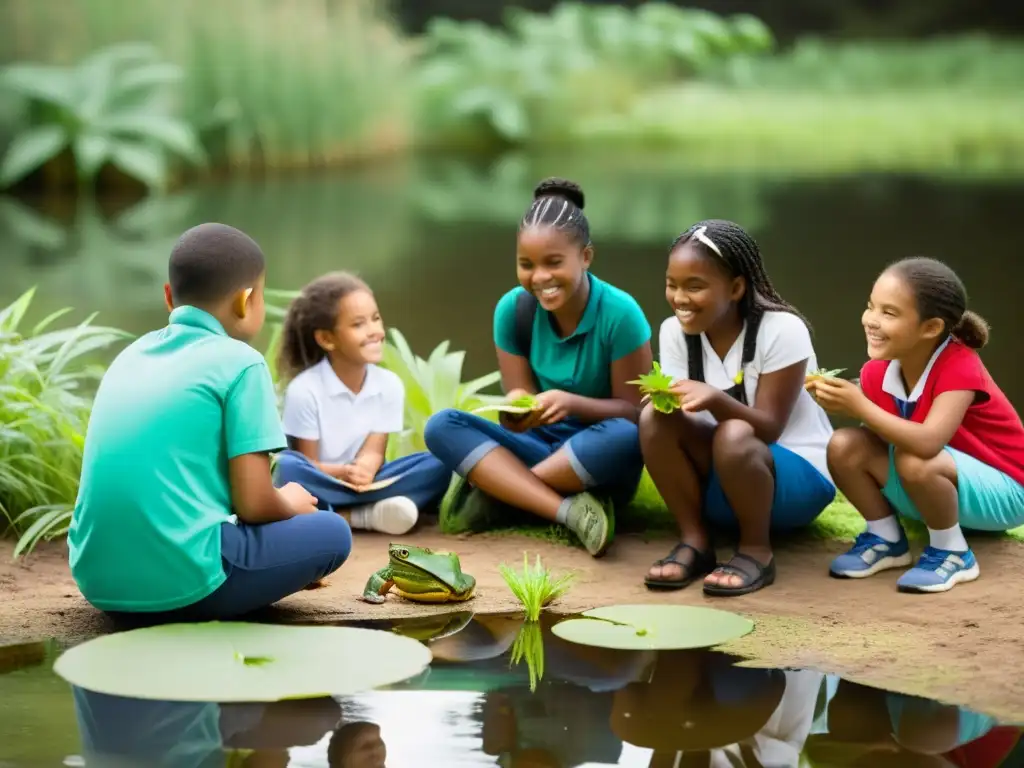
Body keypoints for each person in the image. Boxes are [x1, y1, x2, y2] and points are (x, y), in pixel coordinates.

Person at [67, 223, 351, 623]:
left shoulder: (129, 356)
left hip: (99, 582)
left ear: (169, 296)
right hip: (186, 584)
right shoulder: (241, 363)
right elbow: (253, 505)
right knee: (332, 532)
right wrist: (289, 502)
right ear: (246, 300)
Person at [423, 178, 652, 557]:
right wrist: (517, 410)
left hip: (598, 451)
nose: (539, 278)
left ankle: (501, 491)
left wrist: (573, 403)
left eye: (553, 263)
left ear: (586, 257)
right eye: (526, 264)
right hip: (537, 443)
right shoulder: (514, 310)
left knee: (628, 436)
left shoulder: (621, 314)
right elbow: (521, 394)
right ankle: (566, 511)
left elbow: (634, 412)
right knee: (443, 425)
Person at [640, 219, 836, 596]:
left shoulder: (783, 330)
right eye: (672, 284)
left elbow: (769, 429)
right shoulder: (675, 331)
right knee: (655, 417)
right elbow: (684, 422)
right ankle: (696, 541)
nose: (680, 298)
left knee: (735, 432)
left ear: (735, 287)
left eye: (694, 286)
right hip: (726, 478)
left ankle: (756, 552)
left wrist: (715, 398)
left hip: (796, 480)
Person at [812, 256, 1024, 593]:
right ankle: (885, 539)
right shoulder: (876, 372)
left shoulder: (960, 365)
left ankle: (952, 552)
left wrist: (860, 406)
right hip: (942, 480)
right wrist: (842, 398)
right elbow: (881, 436)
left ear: (930, 328)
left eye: (889, 313)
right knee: (845, 445)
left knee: (916, 456)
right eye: (871, 306)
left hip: (1006, 492)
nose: (871, 320)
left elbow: (927, 442)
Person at [271, 272, 452, 535]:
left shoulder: (389, 384)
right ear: (326, 339)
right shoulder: (304, 389)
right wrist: (345, 472)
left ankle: (345, 515)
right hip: (323, 480)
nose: (375, 332)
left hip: (370, 483)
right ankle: (359, 515)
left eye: (375, 319)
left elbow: (375, 451)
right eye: (358, 324)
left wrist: (367, 465)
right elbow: (307, 463)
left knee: (443, 461)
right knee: (288, 467)